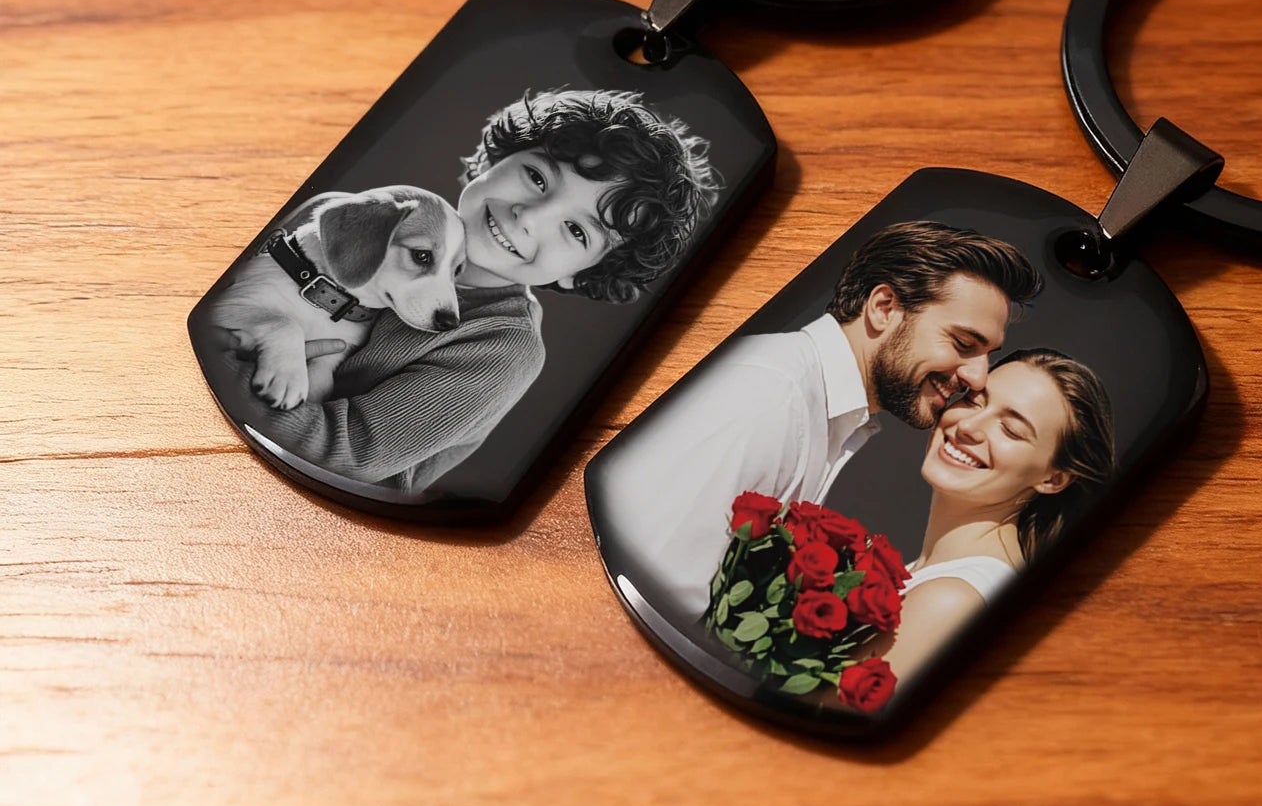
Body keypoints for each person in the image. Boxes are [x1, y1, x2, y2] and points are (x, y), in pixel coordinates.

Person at [216, 87, 719, 491]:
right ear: (492, 162)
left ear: (580, 274)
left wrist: (225, 360)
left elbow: (342, 455)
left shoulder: (501, 346)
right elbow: (220, 294)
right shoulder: (344, 216)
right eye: (537, 178)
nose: (529, 216)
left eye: (576, 230)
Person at [593, 221, 1042, 619]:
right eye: (964, 344)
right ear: (884, 307)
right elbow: (657, 593)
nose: (977, 377)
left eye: (987, 355)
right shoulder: (772, 395)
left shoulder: (822, 409)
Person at [882, 348, 1115, 684]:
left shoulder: (952, 600)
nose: (969, 426)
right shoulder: (938, 578)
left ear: (1053, 479)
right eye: (974, 401)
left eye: (1011, 430)